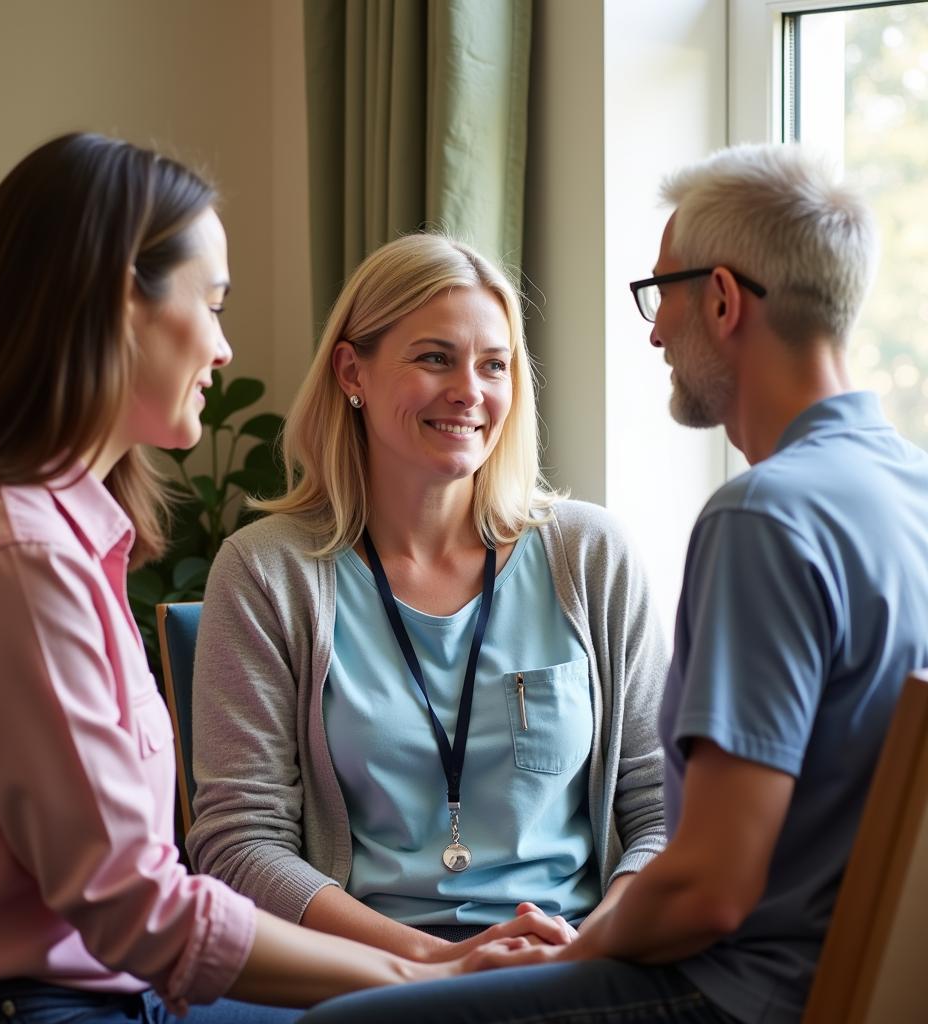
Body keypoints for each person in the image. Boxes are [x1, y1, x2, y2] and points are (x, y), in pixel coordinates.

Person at [292, 144, 928, 1024]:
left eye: (660, 293)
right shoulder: (912, 493)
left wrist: (575, 946)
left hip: (744, 994)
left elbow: (708, 888)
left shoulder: (762, 517)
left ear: (721, 299)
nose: (656, 330)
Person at [0, 133, 528, 1024]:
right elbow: (137, 904)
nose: (227, 348)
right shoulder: (19, 556)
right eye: (214, 302)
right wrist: (419, 980)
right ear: (123, 297)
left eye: (494, 363)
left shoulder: (57, 536)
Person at [187, 232, 669, 964]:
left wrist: (587, 949)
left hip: (569, 958)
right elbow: (238, 843)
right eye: (434, 357)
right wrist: (431, 962)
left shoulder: (591, 555)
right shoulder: (265, 571)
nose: (469, 391)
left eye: (494, 365)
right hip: (368, 973)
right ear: (353, 371)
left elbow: (664, 806)